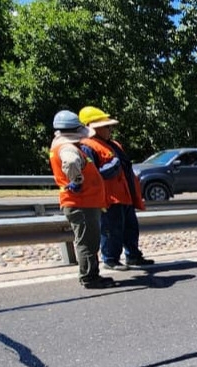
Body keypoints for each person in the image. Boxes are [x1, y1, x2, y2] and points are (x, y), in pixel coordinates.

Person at [78, 106, 154, 270]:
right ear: (94, 128)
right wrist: (110, 168)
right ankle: (110, 259)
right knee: (112, 230)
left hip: (124, 196)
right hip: (109, 198)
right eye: (106, 126)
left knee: (130, 228)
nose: (110, 129)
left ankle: (133, 256)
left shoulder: (114, 145)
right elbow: (92, 175)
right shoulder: (87, 146)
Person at [48, 110, 114, 289]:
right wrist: (76, 181)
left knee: (88, 240)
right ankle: (89, 278)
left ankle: (92, 274)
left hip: (82, 202)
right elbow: (70, 163)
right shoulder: (68, 148)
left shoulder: (60, 145)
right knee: (87, 242)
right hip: (81, 202)